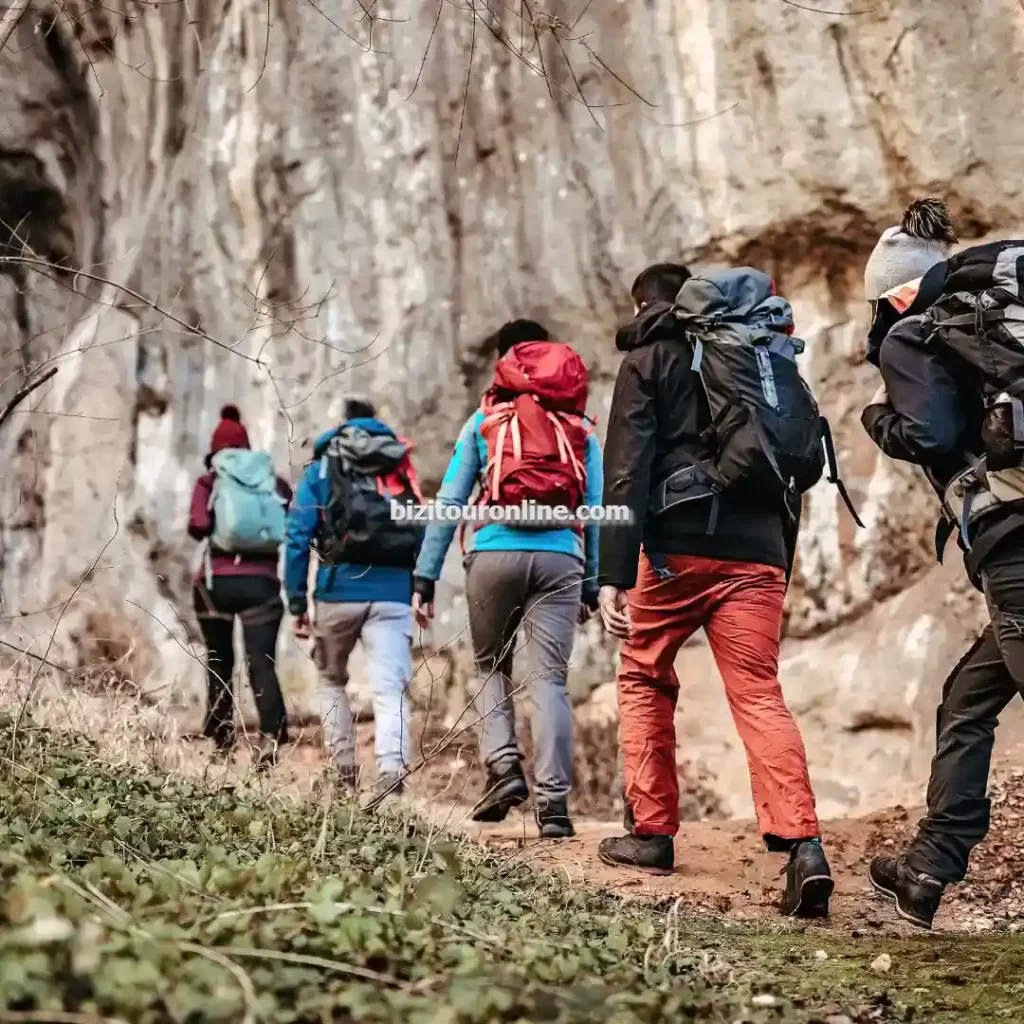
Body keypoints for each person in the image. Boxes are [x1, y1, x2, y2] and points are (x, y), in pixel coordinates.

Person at [595, 262, 834, 918]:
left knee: (644, 675)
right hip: (758, 550)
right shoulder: (758, 352)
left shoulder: (649, 358)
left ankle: (651, 834)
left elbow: (626, 469)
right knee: (758, 691)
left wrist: (613, 574)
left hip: (676, 549)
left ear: (644, 304)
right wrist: (777, 560)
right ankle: (804, 845)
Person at [860, 199, 1024, 929]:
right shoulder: (993, 322)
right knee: (967, 699)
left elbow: (927, 435)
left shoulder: (915, 333)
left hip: (1015, 542)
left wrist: (877, 418)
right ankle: (927, 870)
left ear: (894, 294)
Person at [412, 319, 603, 839]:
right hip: (561, 557)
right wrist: (592, 583)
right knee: (549, 680)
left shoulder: (484, 421)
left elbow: (450, 502)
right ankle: (554, 807)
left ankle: (504, 768)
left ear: (504, 363)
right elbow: (595, 510)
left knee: (490, 664)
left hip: (494, 552)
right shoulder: (580, 429)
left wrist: (424, 576)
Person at [284, 397, 422, 801]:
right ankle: (392, 779)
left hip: (337, 590)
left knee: (331, 680)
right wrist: (420, 585)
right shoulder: (397, 463)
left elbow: (297, 536)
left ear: (343, 424)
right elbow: (420, 528)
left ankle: (343, 776)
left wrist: (297, 602)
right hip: (394, 593)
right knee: (390, 688)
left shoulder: (324, 467)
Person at [188, 404, 292, 768]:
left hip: (216, 584)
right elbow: (291, 523)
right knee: (261, 662)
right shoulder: (273, 481)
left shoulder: (209, 481)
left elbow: (198, 526)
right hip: (262, 584)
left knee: (219, 659)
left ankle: (222, 741)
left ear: (215, 450)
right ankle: (271, 735)